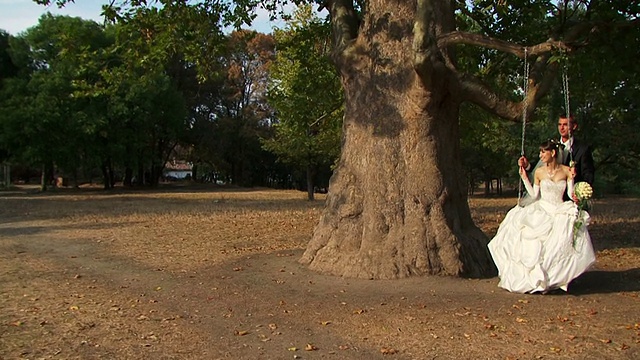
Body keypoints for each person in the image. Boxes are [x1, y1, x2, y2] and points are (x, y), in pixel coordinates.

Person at [488, 140, 596, 294]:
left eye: (543, 152)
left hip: (559, 208)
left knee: (560, 238)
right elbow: (534, 194)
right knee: (531, 238)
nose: (541, 155)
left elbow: (570, 194)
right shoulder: (539, 172)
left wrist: (578, 195)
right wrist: (525, 177)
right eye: (540, 152)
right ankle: (538, 278)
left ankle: (555, 277)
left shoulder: (566, 171)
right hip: (543, 208)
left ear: (552, 153)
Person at [519, 115, 595, 200]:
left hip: (570, 199)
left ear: (574, 126)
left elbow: (588, 174)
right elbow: (542, 166)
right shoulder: (551, 144)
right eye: (559, 124)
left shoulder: (582, 149)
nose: (562, 128)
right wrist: (527, 165)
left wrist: (580, 192)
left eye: (565, 125)